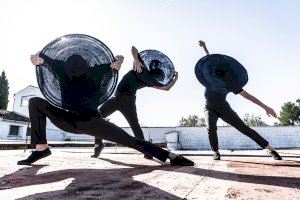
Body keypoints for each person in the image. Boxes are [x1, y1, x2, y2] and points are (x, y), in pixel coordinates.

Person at [17, 52, 194, 166]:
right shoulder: (60, 67)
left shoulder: (95, 70)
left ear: (86, 67)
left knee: (129, 140)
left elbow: (116, 60)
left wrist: (119, 60)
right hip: (67, 119)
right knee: (35, 102)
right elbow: (38, 55)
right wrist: (33, 58)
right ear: (66, 67)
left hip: (92, 121)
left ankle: (170, 156)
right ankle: (41, 149)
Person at [198, 40, 282, 160]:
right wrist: (205, 47)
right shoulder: (210, 76)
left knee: (244, 128)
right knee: (210, 127)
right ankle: (216, 152)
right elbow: (209, 60)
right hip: (209, 107)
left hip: (224, 108)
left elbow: (248, 96)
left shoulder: (229, 84)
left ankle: (270, 149)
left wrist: (266, 107)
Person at [92, 46, 178, 159]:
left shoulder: (150, 80)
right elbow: (133, 49)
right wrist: (137, 60)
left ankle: (147, 151)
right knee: (97, 117)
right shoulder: (144, 72)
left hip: (128, 102)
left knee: (135, 126)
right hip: (116, 98)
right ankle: (99, 144)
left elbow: (133, 48)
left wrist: (136, 60)